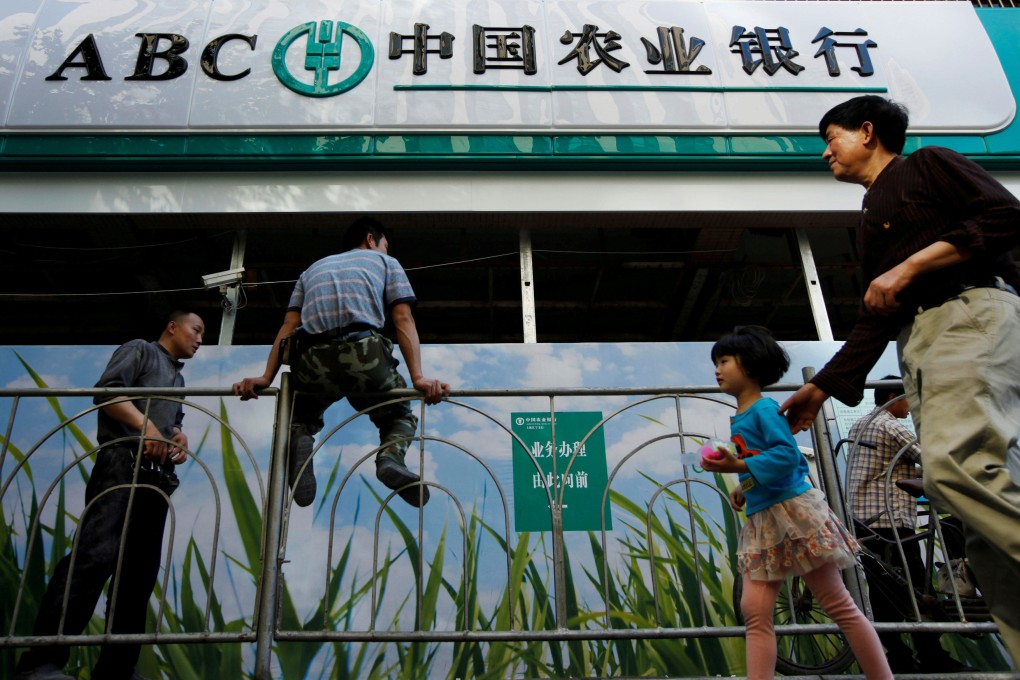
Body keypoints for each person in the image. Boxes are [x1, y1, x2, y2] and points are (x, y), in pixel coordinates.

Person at [781, 94, 1020, 665]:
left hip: (965, 315)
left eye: (831, 137)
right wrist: (821, 386)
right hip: (924, 338)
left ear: (867, 132)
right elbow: (877, 314)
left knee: (961, 468)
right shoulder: (869, 215)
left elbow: (1006, 215)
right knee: (982, 535)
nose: (825, 152)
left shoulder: (927, 165)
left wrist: (911, 265)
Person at [16, 311, 205, 680]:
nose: (200, 339)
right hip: (121, 461)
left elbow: (172, 423)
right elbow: (107, 393)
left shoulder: (178, 376)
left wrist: (176, 437)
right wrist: (147, 427)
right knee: (94, 555)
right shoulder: (140, 350)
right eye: (196, 330)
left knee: (139, 573)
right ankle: (41, 660)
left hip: (156, 477)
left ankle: (117, 669)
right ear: (172, 326)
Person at [700, 326, 892, 680]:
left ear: (751, 364)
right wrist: (745, 484)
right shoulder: (746, 415)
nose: (717, 368)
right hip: (766, 518)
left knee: (836, 604)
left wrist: (740, 466)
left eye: (724, 360)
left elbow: (788, 457)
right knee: (756, 612)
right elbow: (766, 459)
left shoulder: (764, 410)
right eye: (717, 361)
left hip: (793, 516)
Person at [232, 217, 448, 508]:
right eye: (385, 245)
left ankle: (300, 440)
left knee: (300, 418)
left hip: (311, 359)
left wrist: (266, 377)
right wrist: (419, 378)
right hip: (364, 355)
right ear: (372, 240)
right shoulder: (386, 263)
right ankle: (389, 459)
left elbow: (288, 326)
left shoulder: (311, 270)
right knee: (398, 416)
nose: (386, 250)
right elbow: (402, 319)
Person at [846, 376, 967, 673]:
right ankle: (932, 656)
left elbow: (891, 464)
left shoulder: (861, 423)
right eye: (908, 399)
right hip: (890, 519)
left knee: (883, 590)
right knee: (915, 588)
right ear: (892, 397)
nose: (911, 406)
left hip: (864, 519)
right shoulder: (890, 426)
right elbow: (931, 459)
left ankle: (898, 656)